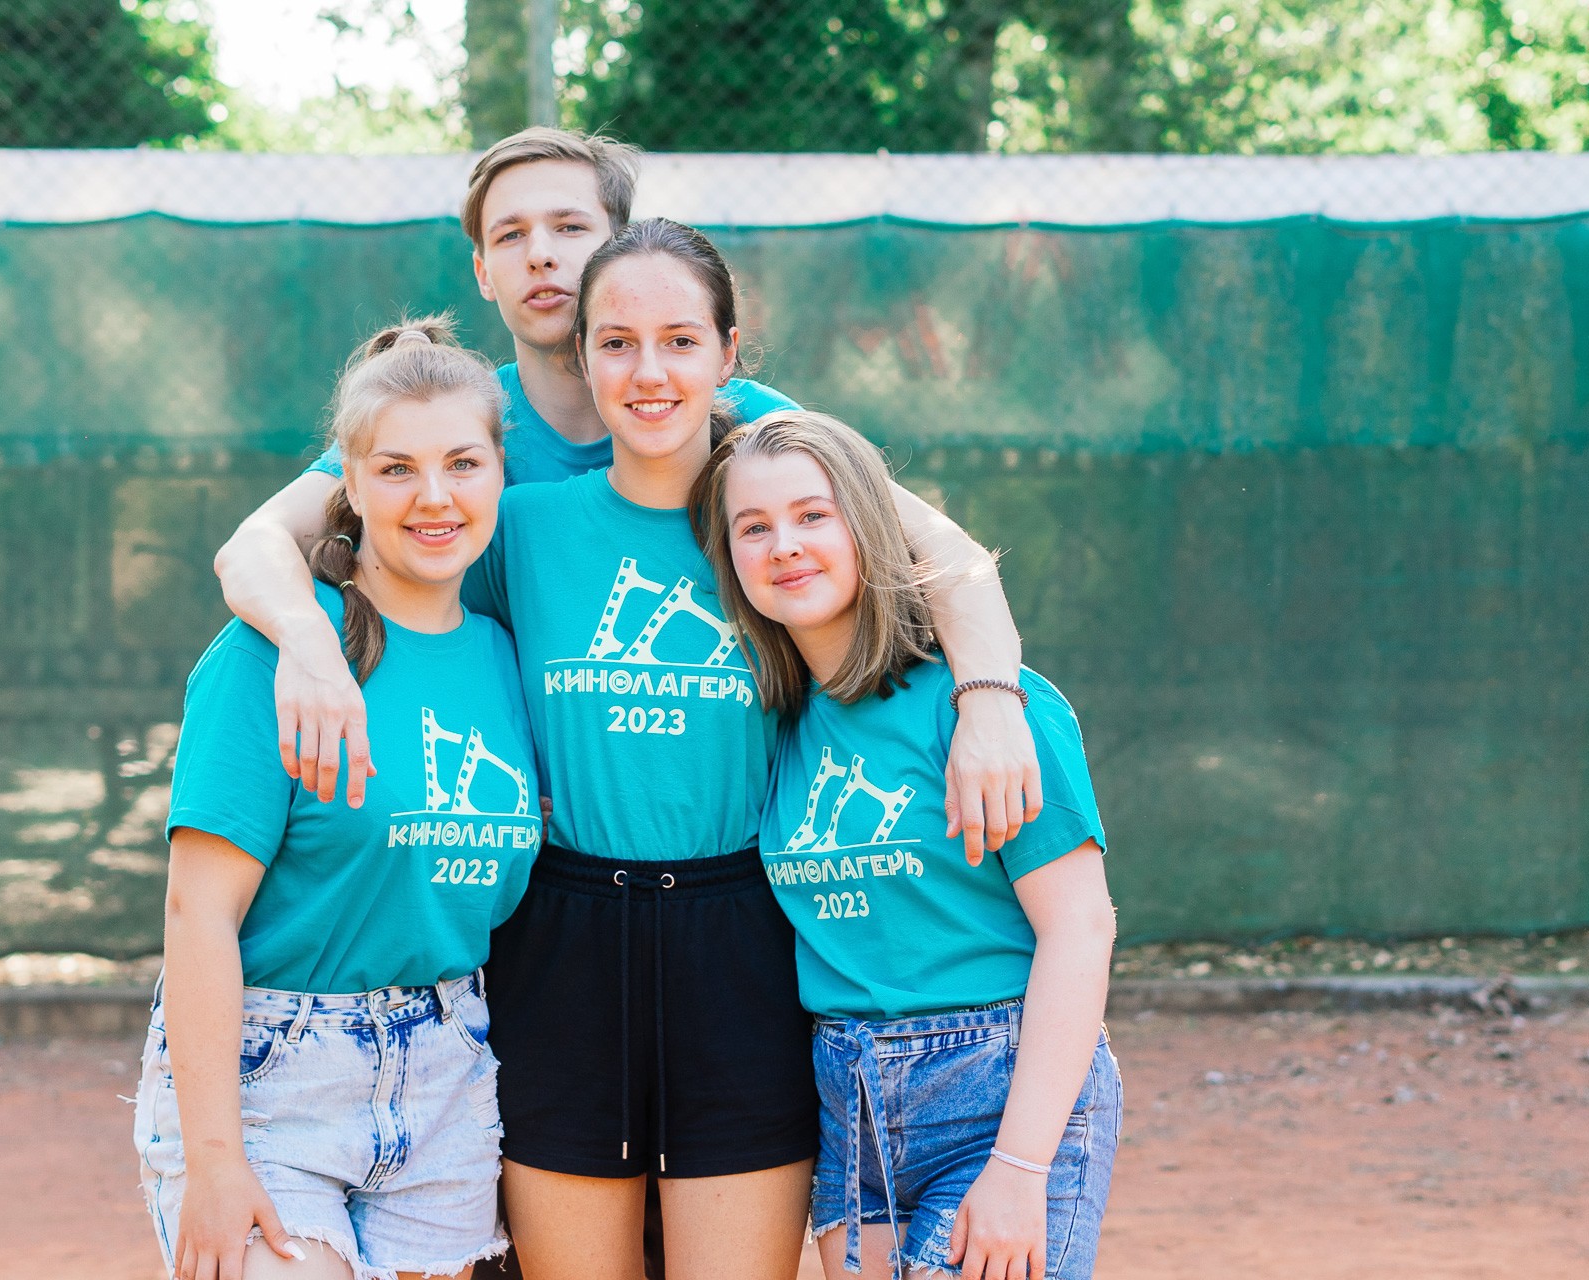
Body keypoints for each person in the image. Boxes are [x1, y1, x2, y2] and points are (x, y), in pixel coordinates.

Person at [214, 128, 1044, 867]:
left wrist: (991, 705)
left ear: (618, 247)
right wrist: (308, 644)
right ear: (483, 271)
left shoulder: (746, 424)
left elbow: (948, 556)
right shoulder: (457, 429)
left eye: (569, 227)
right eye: (511, 234)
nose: (541, 254)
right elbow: (255, 545)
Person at [135, 318, 540, 1280]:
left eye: (463, 463)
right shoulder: (271, 655)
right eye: (396, 469)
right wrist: (216, 1159)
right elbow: (198, 914)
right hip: (271, 1074)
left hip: (446, 1069)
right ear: (347, 487)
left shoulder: (505, 658)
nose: (434, 497)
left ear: (500, 474)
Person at [692, 408, 1121, 1280]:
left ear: (870, 526)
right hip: (846, 1094)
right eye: (754, 527)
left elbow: (1081, 929)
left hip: (995, 1082)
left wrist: (1020, 1167)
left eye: (814, 515)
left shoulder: (986, 709)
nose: (784, 545)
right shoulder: (779, 725)